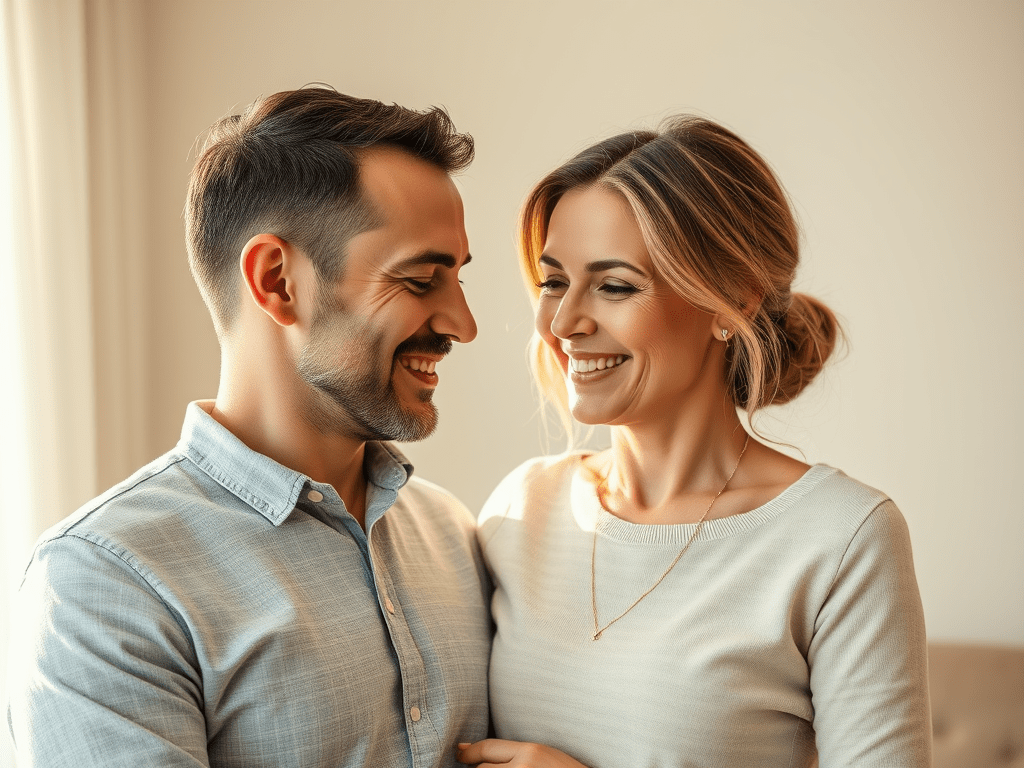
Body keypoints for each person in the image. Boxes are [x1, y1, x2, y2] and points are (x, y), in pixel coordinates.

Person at [7, 86, 491, 766]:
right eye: (419, 280)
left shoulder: (456, 537)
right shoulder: (106, 585)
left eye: (459, 279)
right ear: (277, 281)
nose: (462, 325)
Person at [457, 117, 931, 768]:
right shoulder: (522, 508)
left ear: (728, 299)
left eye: (615, 285)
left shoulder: (841, 537)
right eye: (554, 281)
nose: (564, 323)